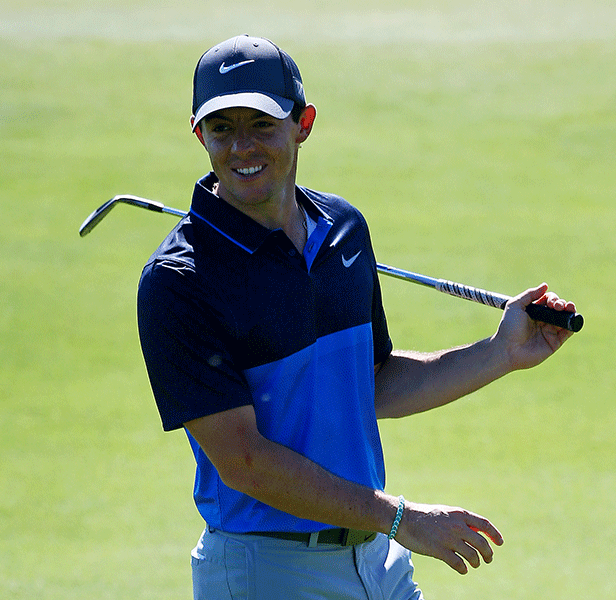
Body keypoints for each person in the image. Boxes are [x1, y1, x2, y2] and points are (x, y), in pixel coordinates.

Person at [136, 34, 577, 600]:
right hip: (267, 573)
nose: (241, 147)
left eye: (262, 124)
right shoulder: (179, 282)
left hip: (377, 561)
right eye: (222, 128)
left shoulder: (343, 230)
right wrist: (403, 518)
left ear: (304, 123)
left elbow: (370, 383)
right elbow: (244, 462)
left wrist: (499, 353)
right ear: (199, 134)